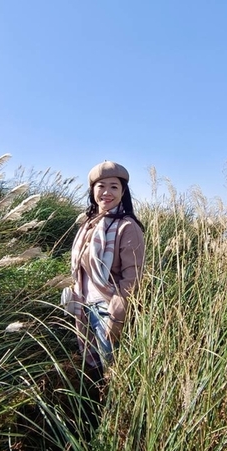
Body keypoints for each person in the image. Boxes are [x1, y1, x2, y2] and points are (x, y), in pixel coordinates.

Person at [65, 161, 145, 380]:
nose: (106, 192)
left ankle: (115, 412)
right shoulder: (87, 225)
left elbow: (133, 274)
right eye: (101, 186)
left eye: (114, 187)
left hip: (107, 309)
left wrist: (117, 315)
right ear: (93, 191)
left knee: (111, 371)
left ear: (123, 192)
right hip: (84, 306)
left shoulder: (127, 227)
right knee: (94, 371)